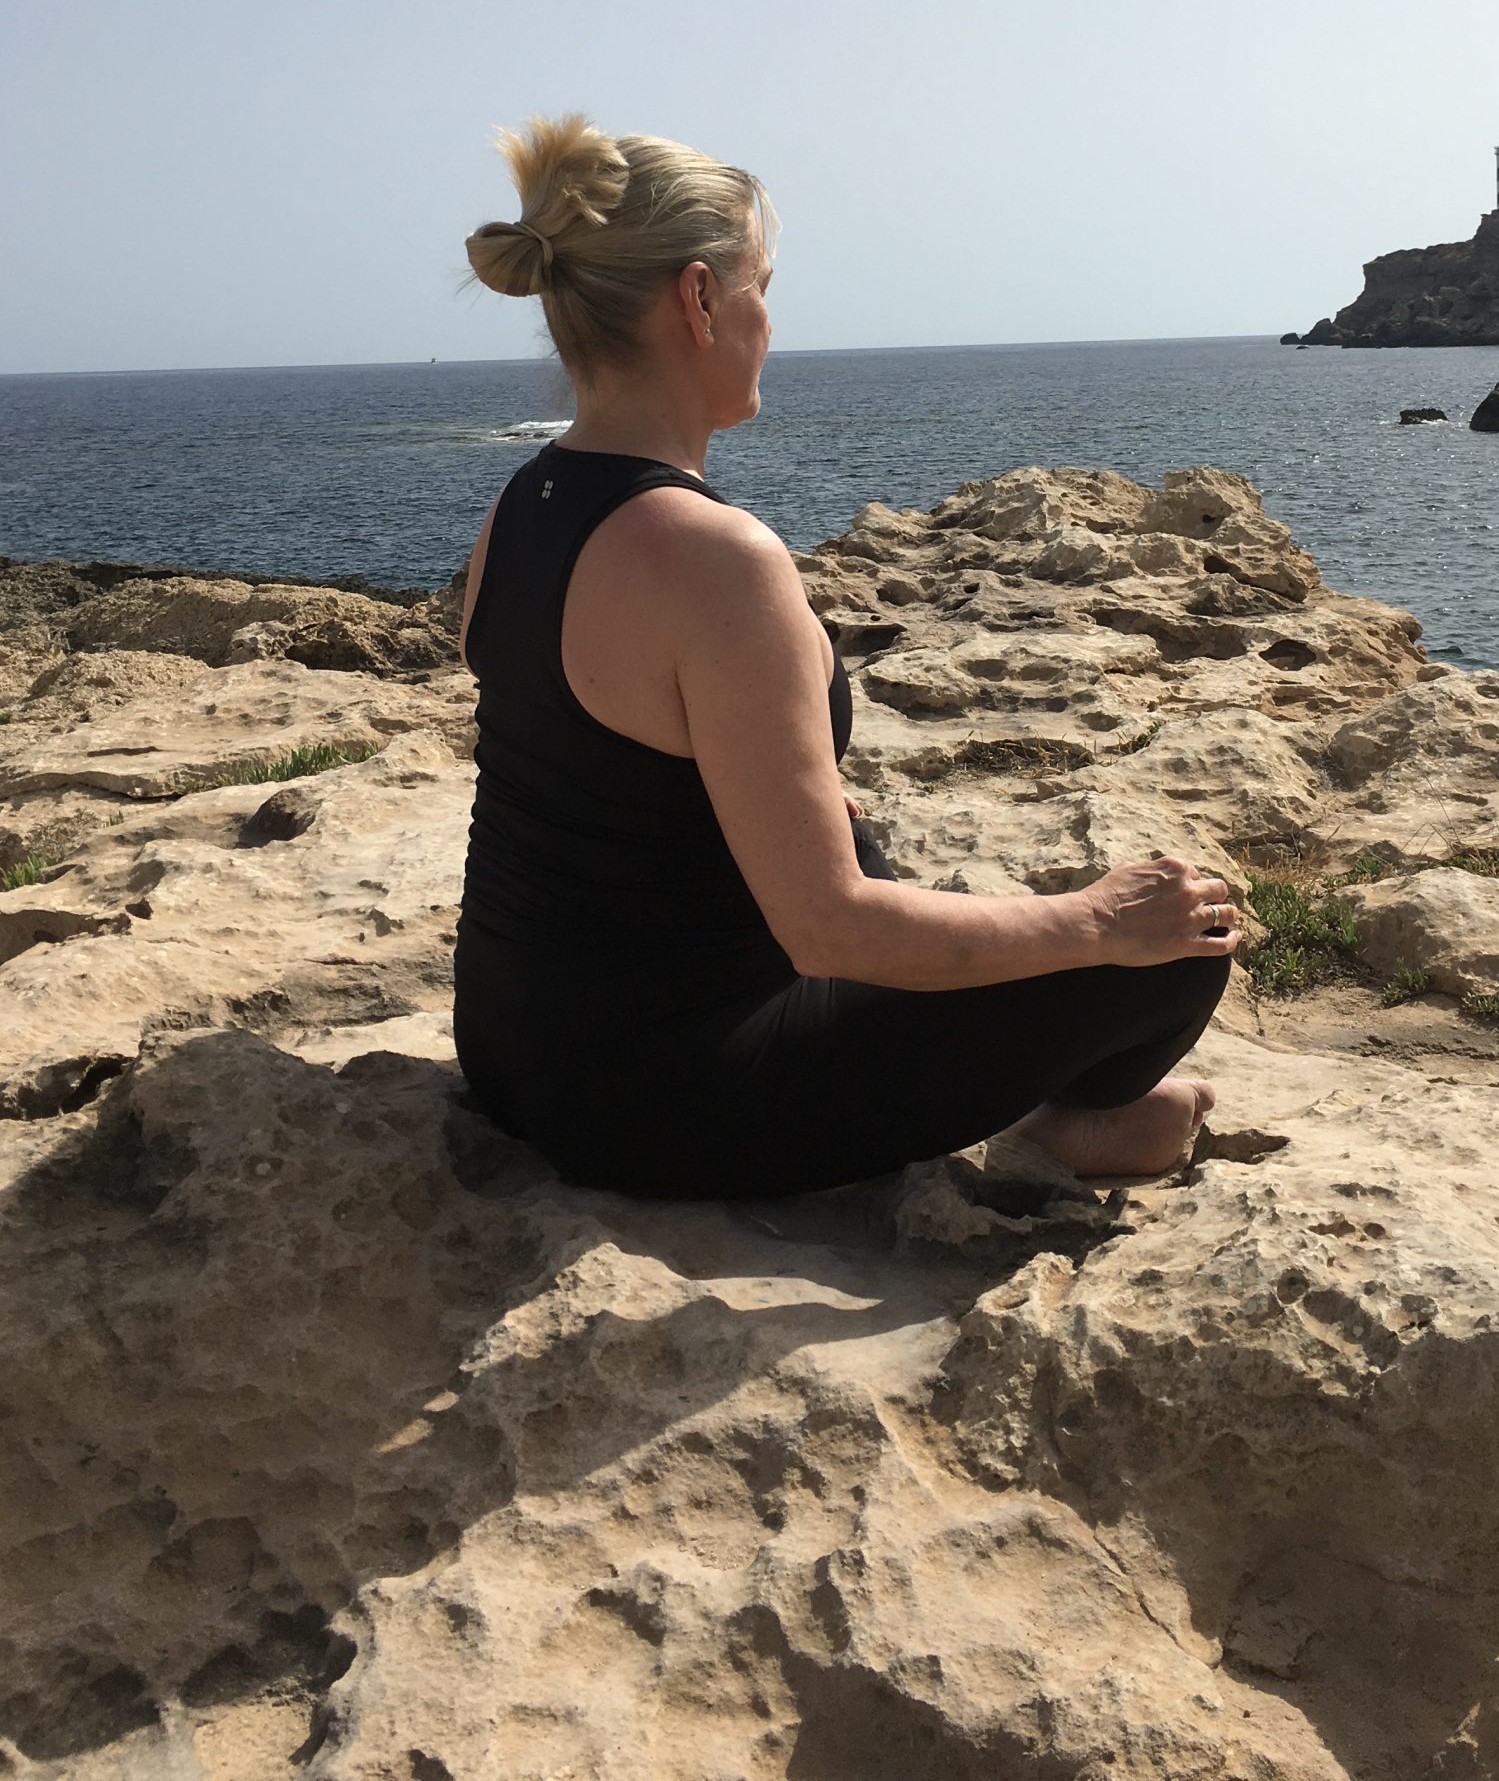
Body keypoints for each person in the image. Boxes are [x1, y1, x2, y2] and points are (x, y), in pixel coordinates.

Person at [453, 114, 1242, 1199]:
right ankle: (1066, 1123)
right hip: (658, 1101)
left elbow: (601, 778)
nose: (768, 321)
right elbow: (827, 929)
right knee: (1185, 939)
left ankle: (1048, 1102)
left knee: (872, 857)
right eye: (760, 286)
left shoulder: (520, 505)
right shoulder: (719, 559)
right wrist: (1094, 918)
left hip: (512, 1049)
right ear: (698, 300)